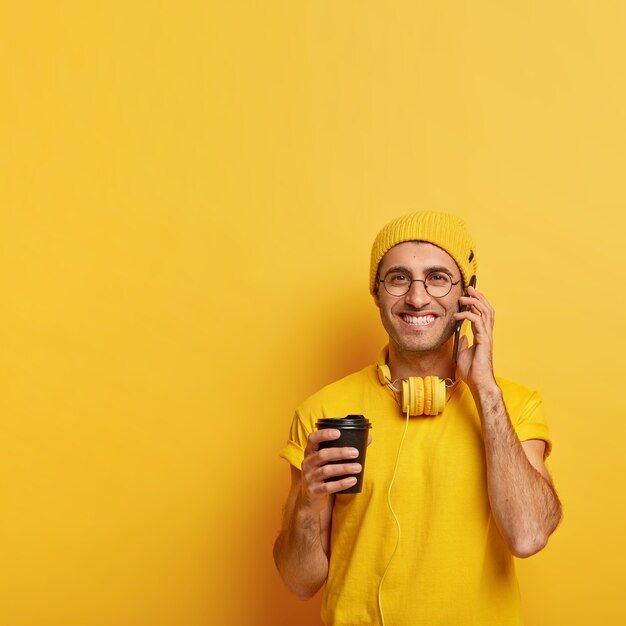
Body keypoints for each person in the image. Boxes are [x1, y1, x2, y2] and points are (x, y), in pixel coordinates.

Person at [273, 211, 562, 626]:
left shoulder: (513, 406)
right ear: (377, 293)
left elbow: (529, 535)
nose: (418, 297)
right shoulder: (322, 413)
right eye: (398, 278)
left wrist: (484, 389)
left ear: (468, 295)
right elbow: (299, 583)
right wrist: (307, 505)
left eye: (439, 278)